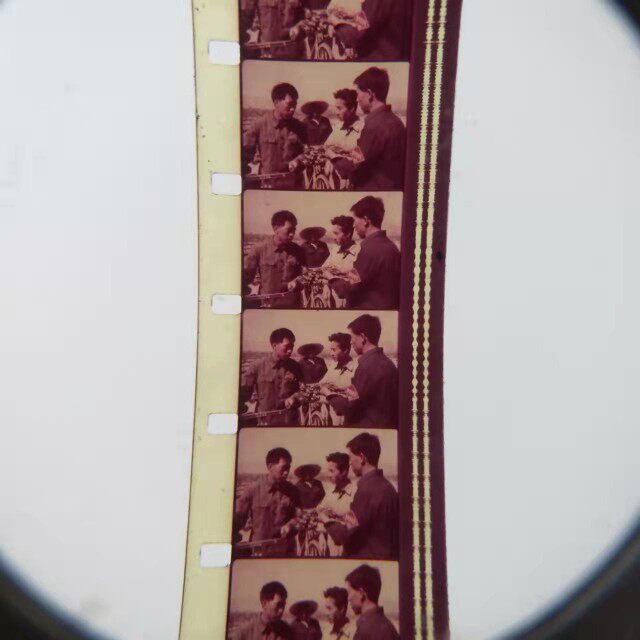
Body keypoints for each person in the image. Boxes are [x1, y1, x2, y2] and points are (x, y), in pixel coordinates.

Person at [330, 433, 398, 558]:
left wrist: (326, 520)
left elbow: (344, 535)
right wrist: (342, 515)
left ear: (362, 458)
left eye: (351, 458)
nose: (349, 463)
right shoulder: (388, 487)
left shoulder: (366, 490)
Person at [331, 197, 400, 309]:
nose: (353, 225)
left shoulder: (366, 248)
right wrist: (346, 272)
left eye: (355, 220)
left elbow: (349, 289)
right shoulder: (392, 247)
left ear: (365, 220)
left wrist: (331, 279)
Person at [330, 315, 398, 427]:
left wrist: (329, 395)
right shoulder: (388, 364)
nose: (351, 342)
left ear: (362, 337)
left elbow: (350, 408)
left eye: (352, 337)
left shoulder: (366, 366)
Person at [233, 448, 299, 557]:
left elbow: (299, 517)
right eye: (283, 468)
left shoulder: (292, 491)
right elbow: (236, 519)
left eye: (288, 468)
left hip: (286, 553)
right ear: (270, 466)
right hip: (260, 554)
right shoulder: (253, 490)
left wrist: (291, 524)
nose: (286, 472)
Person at [351, 67, 406, 190]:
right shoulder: (397, 122)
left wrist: (333, 158)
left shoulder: (374, 126)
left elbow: (356, 166)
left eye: (358, 93)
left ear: (370, 94)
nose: (357, 99)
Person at [243, 83, 307, 189]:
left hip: (294, 187)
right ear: (276, 102)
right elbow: (244, 154)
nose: (293, 109)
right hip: (268, 187)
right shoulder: (260, 125)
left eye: (295, 105)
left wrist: (298, 161)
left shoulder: (299, 127)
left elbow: (307, 153)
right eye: (289, 104)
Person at [240, 328, 302, 426]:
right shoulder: (257, 366)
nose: (290, 351)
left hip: (289, 422)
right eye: (287, 347)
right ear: (274, 346)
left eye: (292, 347)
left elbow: (303, 390)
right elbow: (243, 392)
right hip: (265, 423)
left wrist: (295, 397)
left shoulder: (295, 366)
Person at [244, 210, 306, 308]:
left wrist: (297, 282)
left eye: (294, 230)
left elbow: (305, 276)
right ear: (276, 228)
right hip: (268, 306)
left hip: (293, 307)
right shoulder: (259, 249)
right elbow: (245, 276)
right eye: (289, 230)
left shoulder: (298, 250)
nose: (292, 234)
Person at [345, 565, 399, 640]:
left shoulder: (367, 630)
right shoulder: (387, 625)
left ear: (361, 593)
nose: (348, 599)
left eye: (349, 592)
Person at [318, 452, 356, 556]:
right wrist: (321, 535)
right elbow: (320, 512)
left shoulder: (355, 493)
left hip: (347, 547)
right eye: (328, 471)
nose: (328, 475)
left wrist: (332, 515)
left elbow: (352, 526)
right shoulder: (330, 491)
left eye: (332, 471)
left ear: (344, 472)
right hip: (329, 546)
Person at [321, 333, 358, 425]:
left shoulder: (356, 369)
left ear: (345, 350)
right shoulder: (333, 366)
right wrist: (324, 403)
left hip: (349, 420)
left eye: (334, 350)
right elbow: (321, 385)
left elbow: (355, 400)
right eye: (331, 350)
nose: (331, 353)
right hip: (332, 419)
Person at [324, 217, 361, 309]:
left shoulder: (359, 252)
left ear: (348, 234)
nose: (333, 237)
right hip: (332, 302)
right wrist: (326, 284)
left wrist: (334, 276)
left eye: (336, 233)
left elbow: (356, 283)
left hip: (350, 303)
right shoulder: (335, 249)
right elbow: (324, 269)